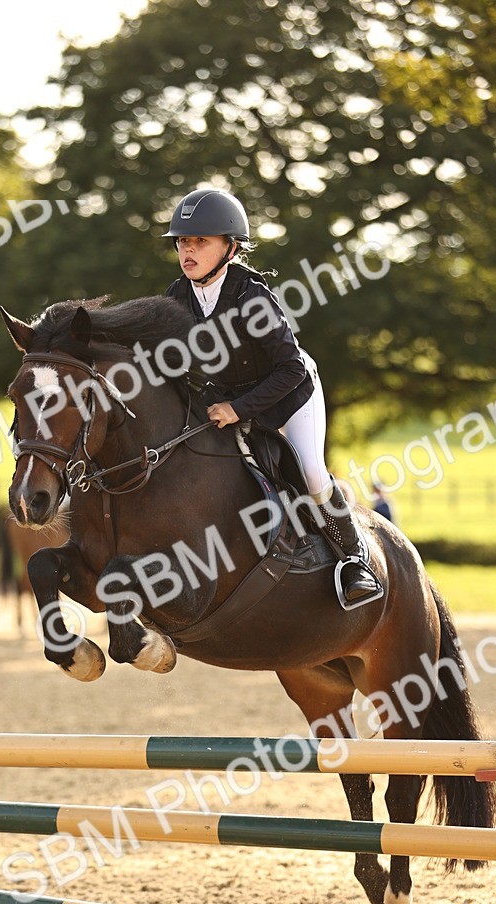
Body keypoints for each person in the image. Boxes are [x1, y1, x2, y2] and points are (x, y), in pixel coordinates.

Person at [163, 186, 382, 609]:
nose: (188, 250)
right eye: (182, 242)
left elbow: (292, 369)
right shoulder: (178, 296)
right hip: (225, 396)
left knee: (311, 472)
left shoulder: (252, 297)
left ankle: (355, 561)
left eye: (200, 241)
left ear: (230, 247)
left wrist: (239, 409)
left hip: (289, 395)